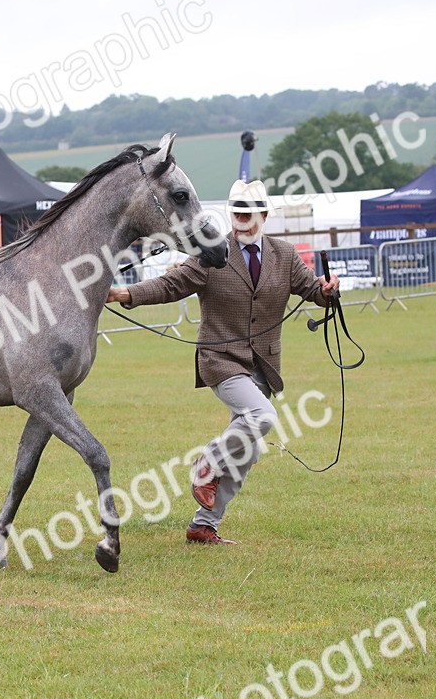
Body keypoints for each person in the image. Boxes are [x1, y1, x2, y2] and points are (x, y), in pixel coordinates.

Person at [106, 179, 339, 545]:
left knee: (247, 450)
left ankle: (203, 526)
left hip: (263, 365)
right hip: (221, 360)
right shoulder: (213, 252)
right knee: (262, 417)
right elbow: (171, 284)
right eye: (236, 213)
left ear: (264, 215)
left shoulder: (284, 254)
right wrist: (123, 293)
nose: (241, 220)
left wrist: (327, 290)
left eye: (248, 214)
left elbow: (312, 289)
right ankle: (207, 464)